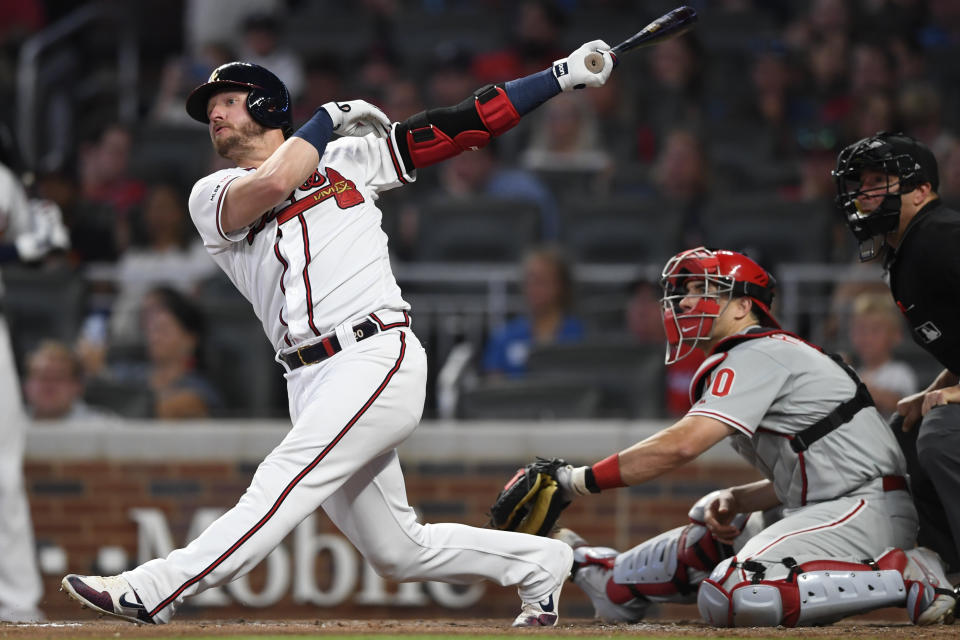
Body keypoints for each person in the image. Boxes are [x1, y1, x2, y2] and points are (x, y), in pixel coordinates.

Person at [61, 41, 620, 625]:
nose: (216, 116)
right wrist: (326, 118)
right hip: (307, 377)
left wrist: (558, 78)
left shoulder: (351, 159)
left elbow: (461, 126)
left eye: (228, 101)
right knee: (399, 551)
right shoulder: (213, 195)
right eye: (210, 110)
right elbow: (275, 185)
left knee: (281, 480)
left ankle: (155, 587)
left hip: (375, 354)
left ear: (269, 105)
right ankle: (540, 562)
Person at [542, 247, 956, 627]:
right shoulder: (759, 353)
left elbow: (681, 445)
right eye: (684, 292)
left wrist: (574, 481)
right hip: (837, 501)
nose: (686, 301)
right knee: (714, 529)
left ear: (743, 306)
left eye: (704, 290)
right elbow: (818, 467)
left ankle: (906, 572)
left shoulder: (756, 352)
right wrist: (742, 498)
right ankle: (611, 579)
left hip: (867, 510)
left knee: (738, 593)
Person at [833, 131, 960, 576]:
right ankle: (948, 574)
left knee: (943, 432)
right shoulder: (911, 248)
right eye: (860, 183)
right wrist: (934, 389)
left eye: (879, 180)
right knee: (905, 432)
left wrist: (955, 398)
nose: (864, 193)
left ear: (922, 190)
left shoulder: (942, 238)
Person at [482, 246, 583, 378]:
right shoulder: (504, 337)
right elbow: (492, 387)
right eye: (529, 280)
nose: (533, 288)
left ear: (561, 286)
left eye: (542, 281)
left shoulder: (581, 336)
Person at [848, 292, 917, 417]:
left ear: (895, 335)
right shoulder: (856, 373)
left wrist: (850, 381)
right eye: (860, 329)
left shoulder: (900, 372)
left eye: (875, 330)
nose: (866, 337)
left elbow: (899, 404)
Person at [23, 340, 118, 423]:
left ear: (78, 386)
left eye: (58, 378)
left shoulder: (105, 426)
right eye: (42, 377)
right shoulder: (10, 425)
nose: (49, 385)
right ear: (26, 384)